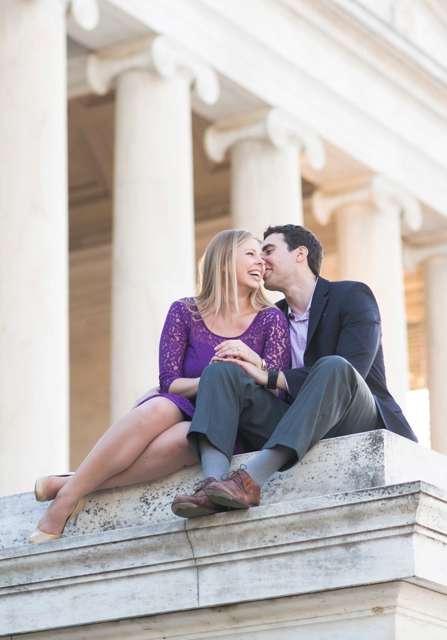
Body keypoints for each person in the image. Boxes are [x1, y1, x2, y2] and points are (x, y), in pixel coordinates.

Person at [30, 230, 290, 542]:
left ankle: (69, 488)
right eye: (250, 254)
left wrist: (249, 366)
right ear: (222, 262)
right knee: (157, 405)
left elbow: (278, 389)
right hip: (183, 404)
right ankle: (67, 499)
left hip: (231, 422)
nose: (260, 262)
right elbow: (169, 382)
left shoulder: (271, 319)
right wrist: (211, 377)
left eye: (262, 256)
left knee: (184, 438)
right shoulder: (184, 312)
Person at [170, 224, 416, 517]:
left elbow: (354, 370)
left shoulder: (351, 295)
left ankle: (250, 479)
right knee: (222, 371)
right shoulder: (270, 317)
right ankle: (211, 484)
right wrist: (255, 365)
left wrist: (270, 375)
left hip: (355, 416)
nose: (261, 261)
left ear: (300, 254)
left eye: (269, 251)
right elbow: (252, 380)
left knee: (335, 366)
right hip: (294, 420)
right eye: (257, 254)